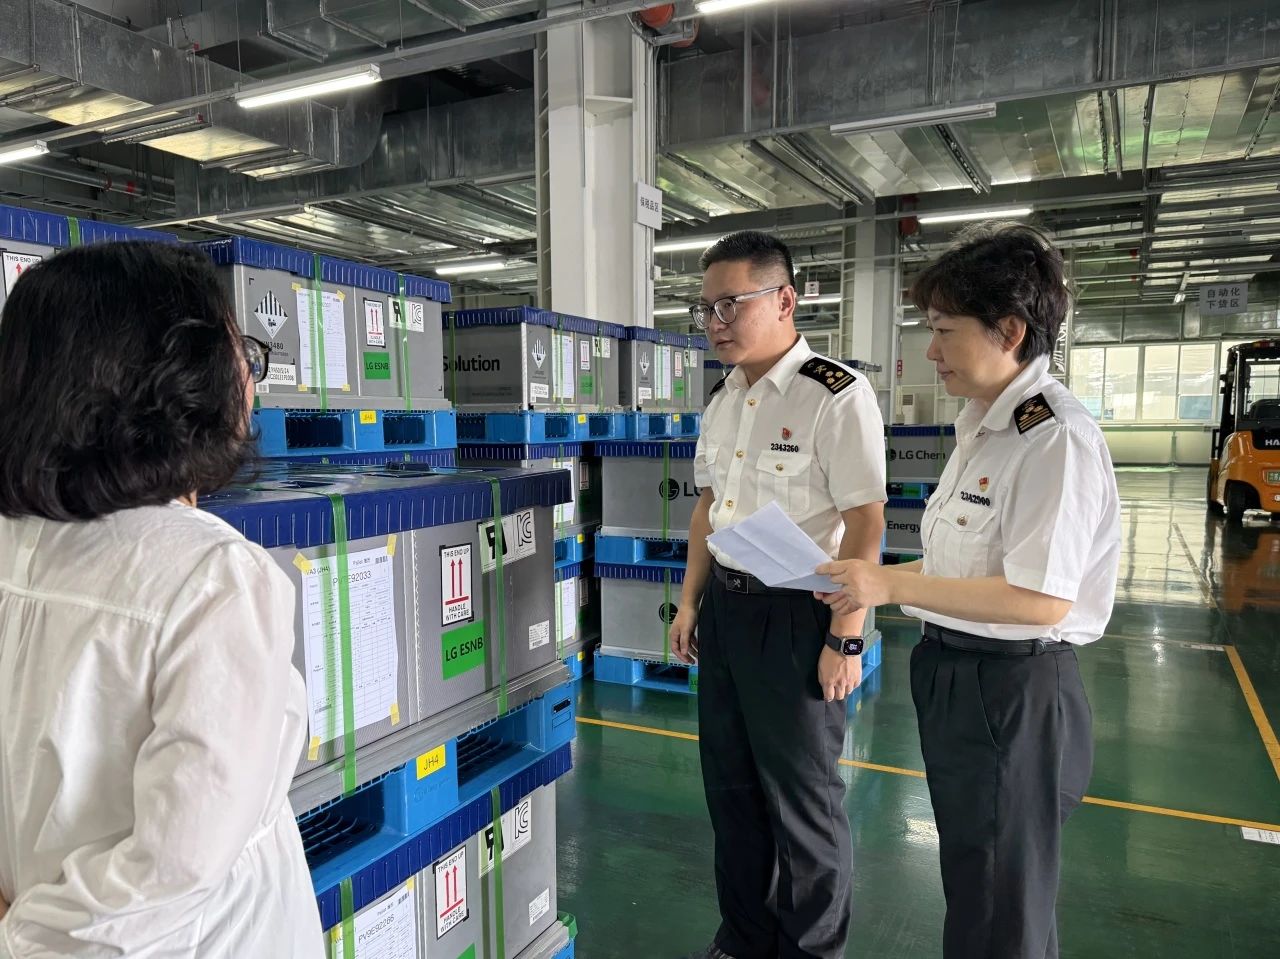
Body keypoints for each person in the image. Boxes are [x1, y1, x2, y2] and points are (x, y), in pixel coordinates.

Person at [0, 242, 323, 958]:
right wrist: (20, 940)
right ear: (171, 384)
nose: (250, 380)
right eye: (240, 356)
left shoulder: (14, 544)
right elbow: (172, 874)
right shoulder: (213, 577)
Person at [816, 223, 1121, 959]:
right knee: (977, 879)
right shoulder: (984, 426)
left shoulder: (1052, 438)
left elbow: (1040, 600)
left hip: (1013, 690)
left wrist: (886, 583)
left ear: (1009, 331)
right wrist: (873, 578)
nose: (931, 351)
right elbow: (964, 566)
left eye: (944, 330)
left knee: (1000, 899)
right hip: (959, 674)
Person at [668, 231, 887, 959]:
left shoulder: (835, 395)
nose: (716, 322)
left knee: (803, 803)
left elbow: (866, 524)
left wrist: (845, 637)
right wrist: (691, 602)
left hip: (800, 617)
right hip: (729, 612)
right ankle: (744, 937)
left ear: (786, 299)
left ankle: (811, 950)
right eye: (706, 308)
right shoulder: (723, 398)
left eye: (731, 303)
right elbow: (707, 509)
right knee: (731, 791)